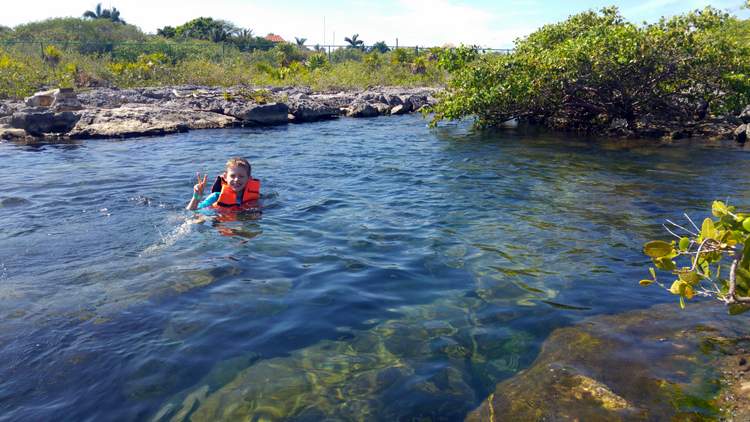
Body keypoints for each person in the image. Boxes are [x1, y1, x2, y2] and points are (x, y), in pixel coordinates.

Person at [186, 157, 261, 211]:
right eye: (232, 176)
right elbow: (191, 211)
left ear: (249, 179)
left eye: (241, 176)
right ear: (225, 177)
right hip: (217, 221)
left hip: (238, 224)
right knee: (197, 220)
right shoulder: (216, 196)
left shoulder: (254, 198)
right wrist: (196, 197)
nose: (236, 179)